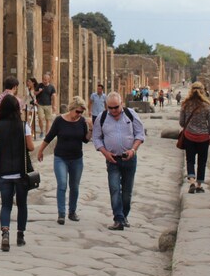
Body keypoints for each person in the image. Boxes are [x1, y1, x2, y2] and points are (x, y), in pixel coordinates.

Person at [0, 94, 35, 251]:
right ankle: (20, 235)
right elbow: (31, 147)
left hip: (3, 171)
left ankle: (5, 233)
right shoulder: (24, 126)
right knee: (22, 204)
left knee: (6, 205)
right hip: (21, 172)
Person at [92, 92, 145, 231]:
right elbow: (96, 138)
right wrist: (105, 153)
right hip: (112, 159)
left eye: (116, 107)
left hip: (129, 158)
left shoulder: (130, 114)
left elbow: (140, 134)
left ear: (121, 104)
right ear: (106, 106)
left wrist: (133, 150)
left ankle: (124, 215)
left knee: (127, 192)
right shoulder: (102, 118)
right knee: (115, 189)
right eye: (111, 108)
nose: (114, 110)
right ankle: (118, 219)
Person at [37, 96, 92, 224]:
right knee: (62, 184)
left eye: (81, 112)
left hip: (76, 159)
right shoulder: (59, 120)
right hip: (61, 158)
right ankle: (61, 214)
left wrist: (90, 128)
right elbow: (49, 136)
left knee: (75, 187)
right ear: (71, 108)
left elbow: (85, 140)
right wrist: (40, 150)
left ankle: (72, 211)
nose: (79, 114)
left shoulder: (82, 121)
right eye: (77, 111)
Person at [179, 82, 210, 193]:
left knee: (190, 160)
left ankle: (191, 182)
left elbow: (181, 122)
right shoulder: (207, 105)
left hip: (189, 136)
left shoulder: (185, 104)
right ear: (203, 91)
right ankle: (199, 185)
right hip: (204, 137)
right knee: (202, 161)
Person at [34, 73, 57, 139]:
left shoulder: (51, 87)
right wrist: (39, 91)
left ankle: (47, 133)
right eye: (43, 79)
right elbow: (35, 93)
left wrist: (54, 105)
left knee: (48, 120)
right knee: (40, 118)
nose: (44, 81)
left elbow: (54, 96)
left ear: (49, 80)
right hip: (40, 104)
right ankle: (41, 131)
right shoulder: (39, 85)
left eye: (46, 80)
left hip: (48, 105)